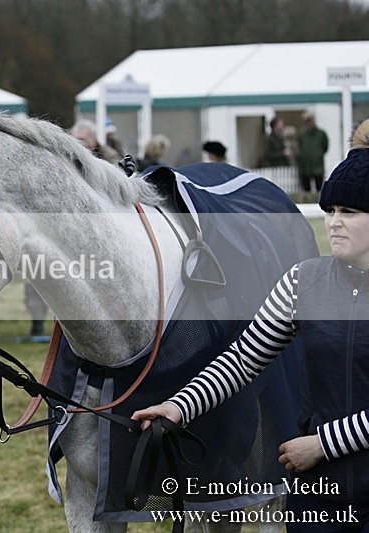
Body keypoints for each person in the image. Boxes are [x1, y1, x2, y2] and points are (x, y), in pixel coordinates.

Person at [132, 118, 369, 530]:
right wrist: (177, 408)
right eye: (329, 209)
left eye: (349, 211)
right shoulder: (302, 281)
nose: (333, 221)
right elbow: (242, 359)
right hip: (319, 492)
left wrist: (322, 445)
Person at [297, 111, 330, 192]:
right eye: (306, 121)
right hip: (305, 167)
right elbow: (299, 147)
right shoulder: (301, 134)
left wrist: (318, 154)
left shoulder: (321, 134)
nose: (309, 123)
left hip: (318, 167)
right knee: (306, 190)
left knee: (319, 189)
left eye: (310, 120)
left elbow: (325, 147)